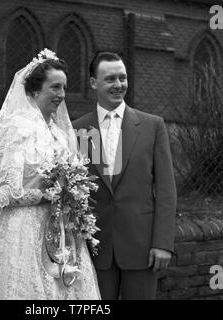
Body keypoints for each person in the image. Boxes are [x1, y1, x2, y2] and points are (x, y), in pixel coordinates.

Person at [0, 49, 101, 300]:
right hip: (23, 231)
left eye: (64, 88)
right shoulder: (17, 129)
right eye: (55, 87)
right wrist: (44, 196)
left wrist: (71, 194)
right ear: (36, 90)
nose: (61, 94)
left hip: (61, 230)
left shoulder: (60, 134)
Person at [73, 52, 177, 300]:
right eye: (110, 79)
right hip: (95, 248)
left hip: (141, 247)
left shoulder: (152, 126)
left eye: (123, 78)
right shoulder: (79, 130)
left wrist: (162, 243)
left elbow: (166, 190)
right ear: (93, 83)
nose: (118, 85)